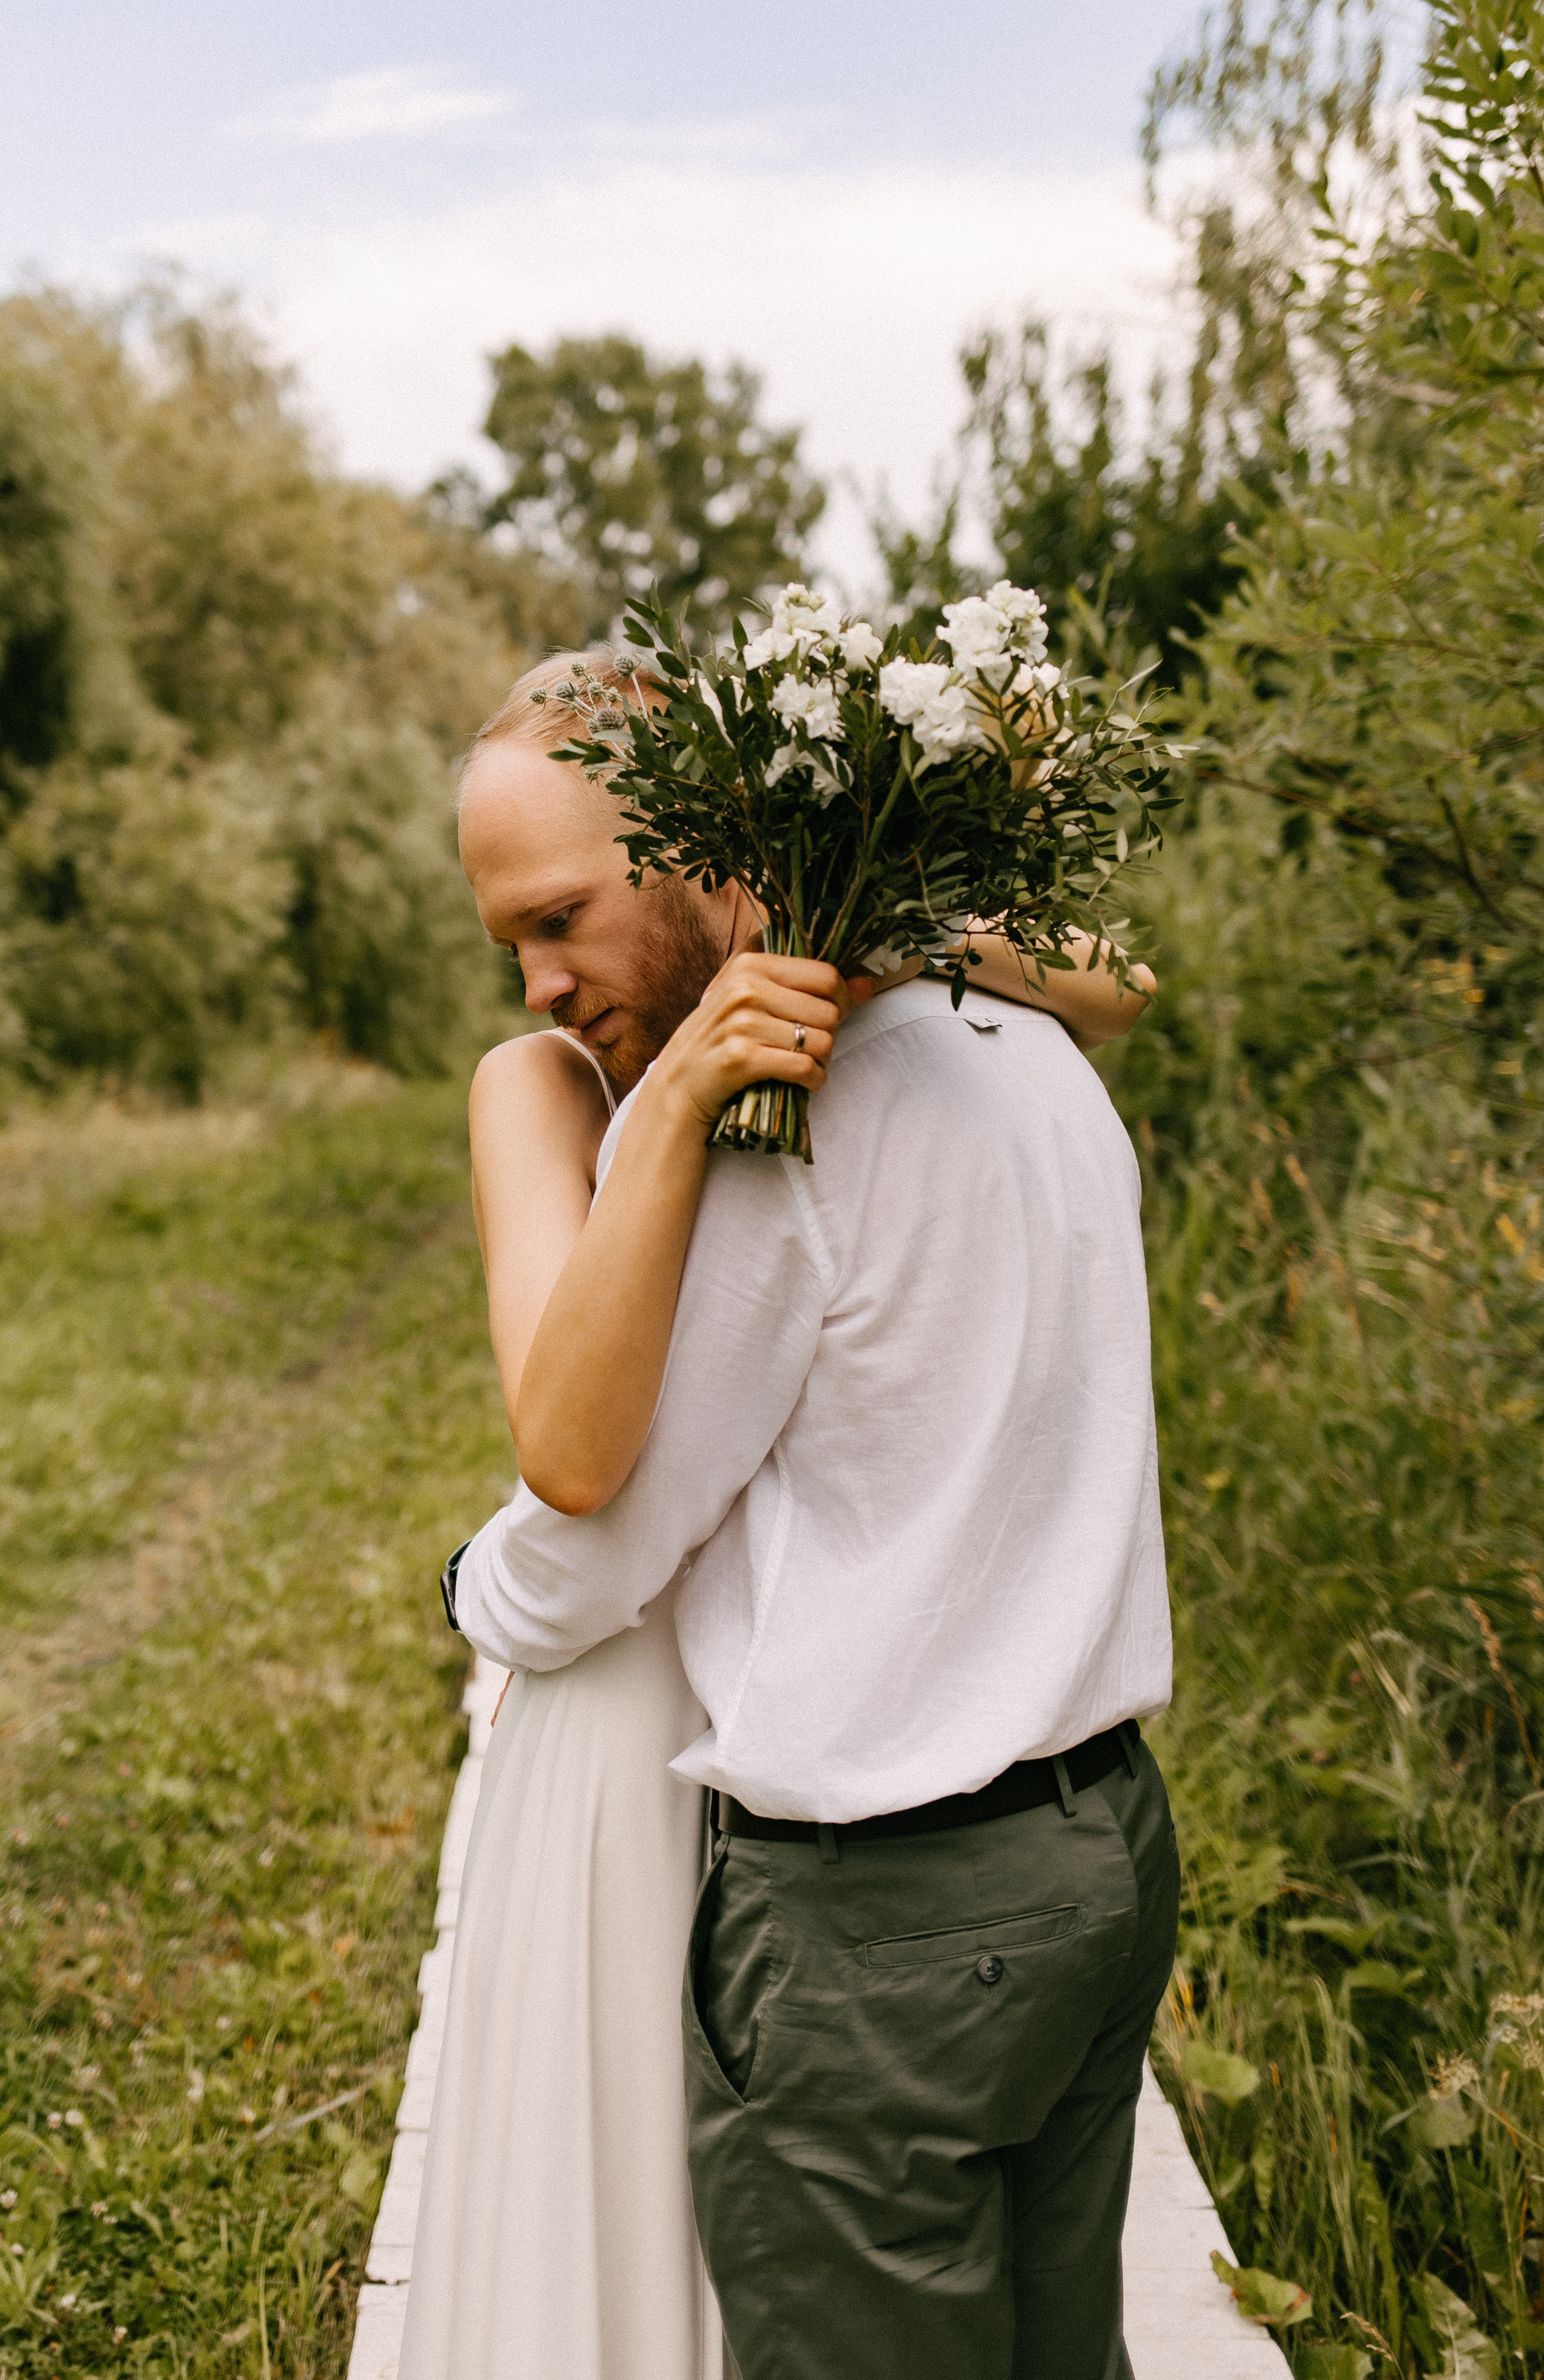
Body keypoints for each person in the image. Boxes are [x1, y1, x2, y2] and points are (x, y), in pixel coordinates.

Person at [398, 648, 1159, 2380]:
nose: (535, 980)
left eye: (567, 914)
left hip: (886, 1922)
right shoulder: (1029, 1058)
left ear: (699, 843)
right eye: (504, 938)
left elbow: (594, 1526)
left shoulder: (787, 1127)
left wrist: (475, 1591)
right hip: (1093, 1846)